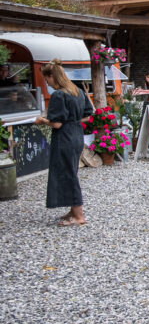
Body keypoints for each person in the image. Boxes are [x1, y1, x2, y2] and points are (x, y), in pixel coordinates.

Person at [34, 59, 92, 227]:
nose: (47, 84)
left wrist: (41, 121)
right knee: (71, 171)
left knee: (68, 174)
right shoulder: (78, 91)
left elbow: (57, 123)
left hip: (64, 137)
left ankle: (79, 215)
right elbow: (88, 115)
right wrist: (72, 120)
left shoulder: (58, 95)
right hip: (77, 134)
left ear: (52, 76)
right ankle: (73, 210)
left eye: (47, 80)